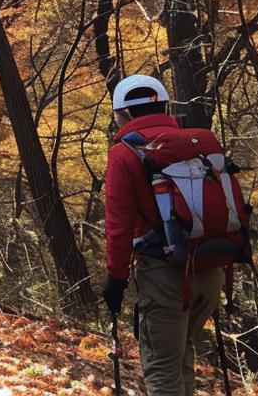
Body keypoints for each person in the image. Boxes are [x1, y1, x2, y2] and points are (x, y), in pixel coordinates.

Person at [102, 74, 225, 396]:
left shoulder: (124, 153)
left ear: (125, 114)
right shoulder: (196, 143)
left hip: (165, 271)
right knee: (182, 352)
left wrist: (115, 279)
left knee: (161, 366)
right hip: (211, 266)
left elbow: (118, 225)